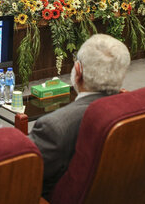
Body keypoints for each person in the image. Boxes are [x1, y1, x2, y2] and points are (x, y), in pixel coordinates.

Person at [29, 34, 130, 200]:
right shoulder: (132, 109)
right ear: (122, 74)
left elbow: (26, 175)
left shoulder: (54, 126)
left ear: (78, 71)